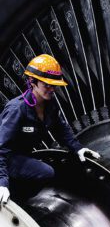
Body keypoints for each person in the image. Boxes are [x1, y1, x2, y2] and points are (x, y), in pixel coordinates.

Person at [0, 54, 100, 204]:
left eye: (54, 85)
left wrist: (78, 148)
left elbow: (60, 128)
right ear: (32, 82)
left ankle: (18, 198)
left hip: (19, 157)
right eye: (46, 85)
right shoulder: (17, 109)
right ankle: (14, 201)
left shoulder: (50, 105)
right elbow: (1, 148)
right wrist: (2, 182)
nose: (51, 89)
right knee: (45, 172)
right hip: (5, 158)